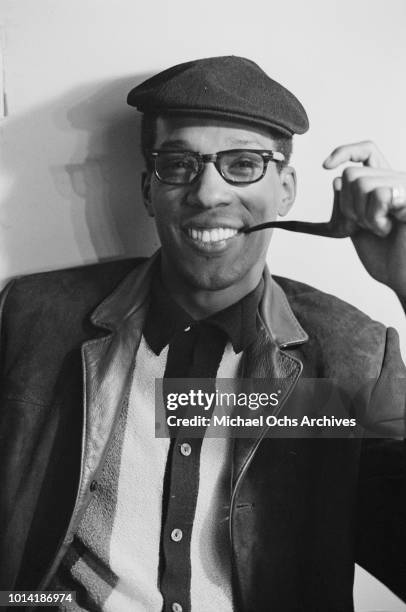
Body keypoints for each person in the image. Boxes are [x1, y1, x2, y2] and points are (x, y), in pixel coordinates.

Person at [0, 55, 405, 612]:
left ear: (286, 189)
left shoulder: (356, 355)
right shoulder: (28, 317)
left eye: (243, 164)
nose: (209, 193)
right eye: (178, 163)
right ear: (148, 189)